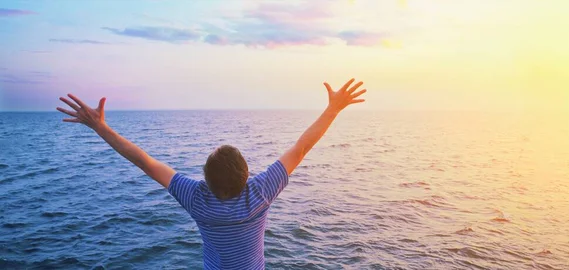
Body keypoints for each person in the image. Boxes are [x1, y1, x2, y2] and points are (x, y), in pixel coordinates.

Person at [56, 78, 367, 269]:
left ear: (205, 180)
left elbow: (145, 162)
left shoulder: (195, 198)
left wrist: (100, 127)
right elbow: (301, 147)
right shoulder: (260, 193)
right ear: (247, 175)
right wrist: (333, 109)